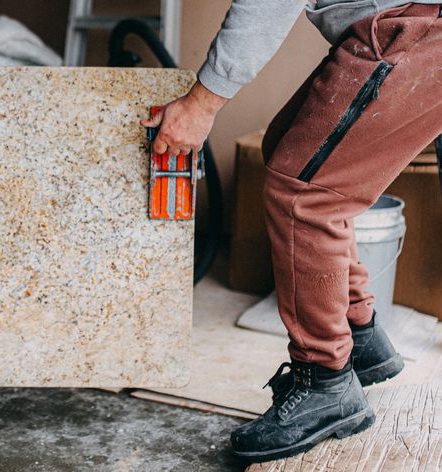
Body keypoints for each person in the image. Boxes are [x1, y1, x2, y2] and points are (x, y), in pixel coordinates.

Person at [142, 0, 442, 462]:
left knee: (304, 194)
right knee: (289, 150)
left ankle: (325, 382)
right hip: (400, 25)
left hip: (419, 29)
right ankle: (357, 332)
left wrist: (202, 104)